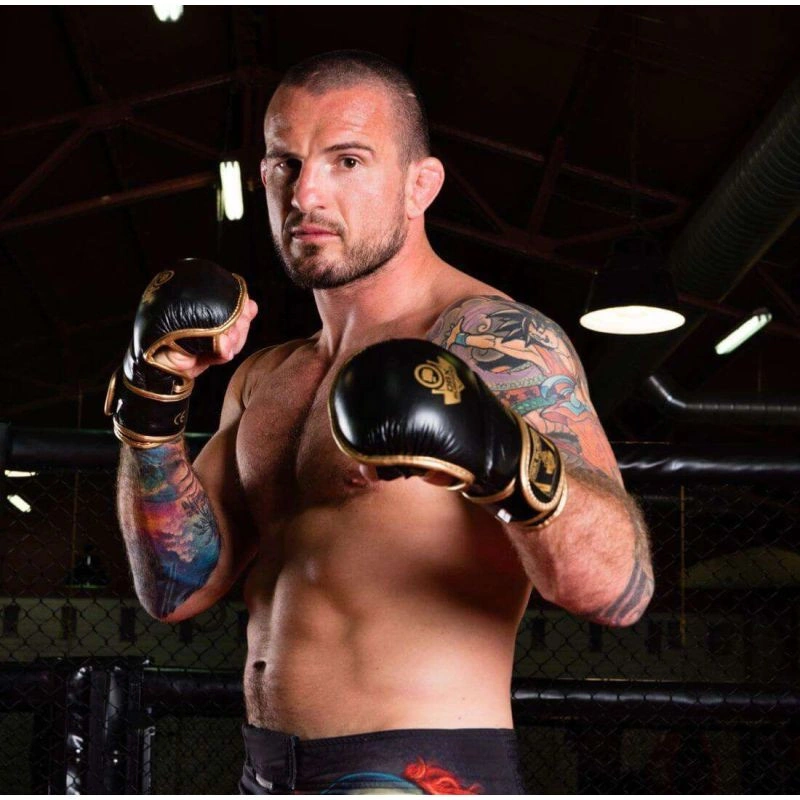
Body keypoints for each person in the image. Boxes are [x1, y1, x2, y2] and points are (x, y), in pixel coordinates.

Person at [108, 50, 653, 794]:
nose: (306, 193)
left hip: (421, 772)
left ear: (419, 185)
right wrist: (150, 409)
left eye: (347, 161)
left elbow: (619, 586)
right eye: (285, 164)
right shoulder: (265, 376)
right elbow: (178, 589)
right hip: (265, 771)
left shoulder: (493, 343)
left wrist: (498, 452)